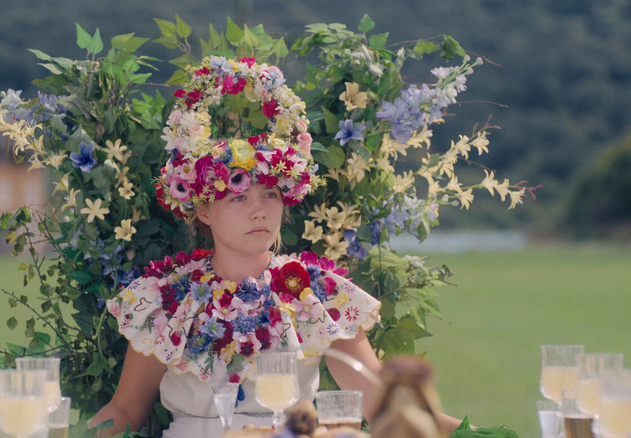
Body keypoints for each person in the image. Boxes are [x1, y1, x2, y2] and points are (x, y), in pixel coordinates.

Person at [88, 56, 462, 437]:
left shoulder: (319, 293)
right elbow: (124, 410)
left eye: (269, 194)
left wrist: (481, 433)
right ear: (203, 210)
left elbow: (383, 405)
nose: (258, 211)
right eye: (238, 198)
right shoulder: (166, 299)